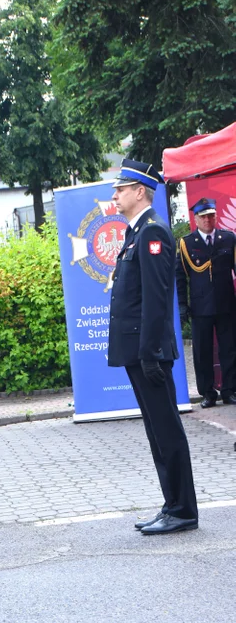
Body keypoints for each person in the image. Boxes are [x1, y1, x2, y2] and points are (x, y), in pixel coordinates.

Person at [108, 158, 198, 535]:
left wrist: (149, 353)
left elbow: (156, 301)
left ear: (139, 191)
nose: (115, 195)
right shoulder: (136, 233)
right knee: (156, 431)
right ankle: (172, 504)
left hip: (151, 354)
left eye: (121, 188)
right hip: (141, 352)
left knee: (167, 430)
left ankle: (183, 511)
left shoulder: (152, 232)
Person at [176, 197, 236, 409]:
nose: (208, 220)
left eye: (211, 216)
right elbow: (180, 278)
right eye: (203, 217)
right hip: (200, 307)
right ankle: (208, 393)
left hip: (226, 304)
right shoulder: (186, 243)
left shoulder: (228, 238)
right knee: (202, 352)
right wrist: (182, 305)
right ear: (196, 219)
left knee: (229, 348)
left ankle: (229, 390)